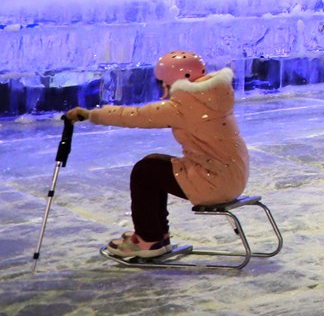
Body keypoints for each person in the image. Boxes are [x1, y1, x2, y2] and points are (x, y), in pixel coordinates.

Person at [62, 51, 248, 261]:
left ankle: (149, 239)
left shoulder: (184, 106)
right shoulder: (212, 98)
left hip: (214, 181)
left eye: (162, 82)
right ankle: (157, 236)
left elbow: (137, 116)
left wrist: (91, 114)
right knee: (153, 164)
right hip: (231, 177)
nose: (161, 87)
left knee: (145, 172)